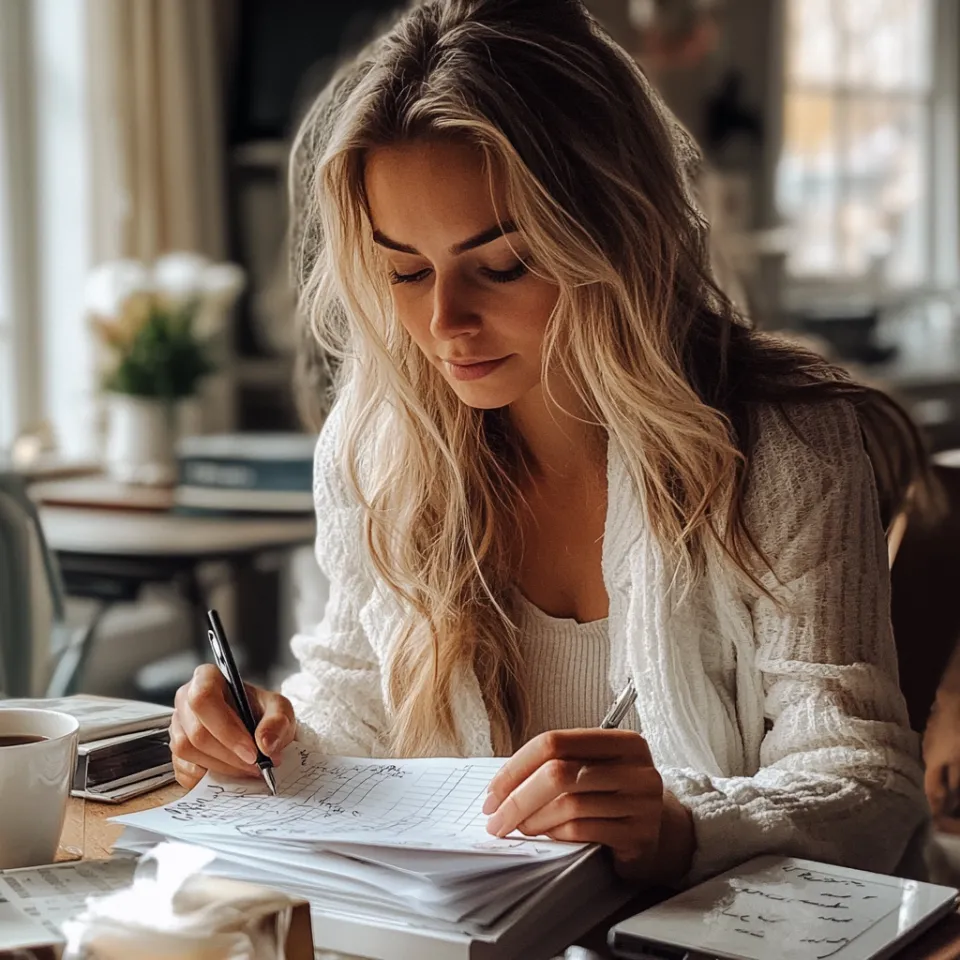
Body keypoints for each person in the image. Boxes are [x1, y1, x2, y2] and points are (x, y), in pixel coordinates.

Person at [170, 0, 937, 887]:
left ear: (612, 229)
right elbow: (357, 700)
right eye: (406, 271)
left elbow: (866, 785)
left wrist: (681, 826)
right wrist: (266, 739)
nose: (443, 321)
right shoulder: (382, 443)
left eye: (500, 265)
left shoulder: (782, 447)